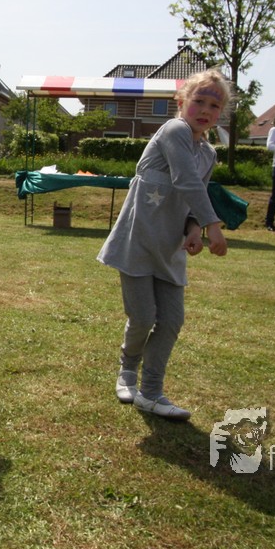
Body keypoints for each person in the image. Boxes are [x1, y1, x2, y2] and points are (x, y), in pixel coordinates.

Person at [97, 69, 231, 420]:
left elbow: (193, 196)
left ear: (221, 113)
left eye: (214, 105)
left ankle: (151, 392)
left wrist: (194, 228)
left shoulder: (208, 154)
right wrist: (213, 225)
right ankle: (128, 370)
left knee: (171, 321)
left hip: (170, 251)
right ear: (181, 101)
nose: (205, 110)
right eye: (199, 101)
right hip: (138, 243)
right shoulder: (174, 130)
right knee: (143, 317)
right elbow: (185, 179)